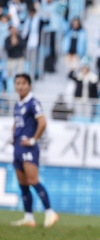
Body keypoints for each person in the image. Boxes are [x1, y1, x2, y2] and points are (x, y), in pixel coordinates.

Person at [10, 74, 58, 228]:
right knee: (22, 184)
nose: (20, 86)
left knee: (33, 180)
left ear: (29, 85)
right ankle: (29, 217)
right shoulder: (18, 104)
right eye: (18, 83)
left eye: (23, 83)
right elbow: (16, 122)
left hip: (28, 148)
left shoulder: (33, 102)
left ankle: (50, 213)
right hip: (18, 147)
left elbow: (42, 122)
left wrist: (32, 139)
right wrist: (13, 137)